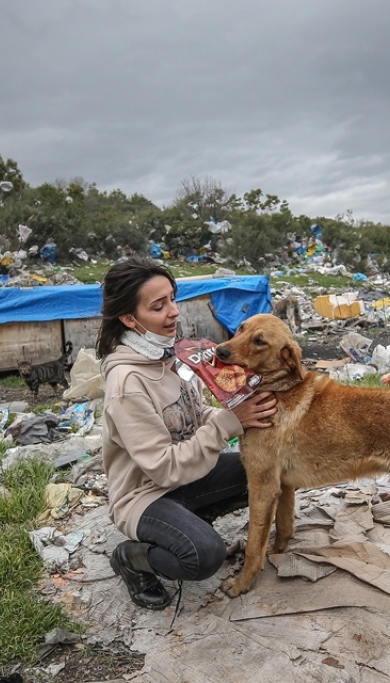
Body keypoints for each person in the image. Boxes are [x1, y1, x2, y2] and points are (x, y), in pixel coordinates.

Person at [97, 258, 277, 610]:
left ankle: (194, 516)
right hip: (145, 495)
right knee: (203, 556)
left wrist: (239, 414)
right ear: (129, 320)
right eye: (158, 306)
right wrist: (230, 423)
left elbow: (193, 415)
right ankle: (132, 558)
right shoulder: (127, 384)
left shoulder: (167, 357)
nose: (174, 312)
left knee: (266, 469)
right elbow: (163, 469)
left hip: (185, 478)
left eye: (172, 299)